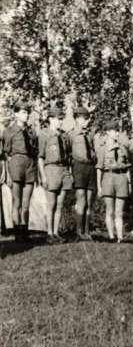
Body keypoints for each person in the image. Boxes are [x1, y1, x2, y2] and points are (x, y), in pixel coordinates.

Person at [38, 104, 72, 243]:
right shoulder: (44, 134)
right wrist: (43, 176)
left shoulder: (64, 135)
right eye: (58, 119)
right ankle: (49, 233)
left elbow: (68, 156)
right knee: (51, 203)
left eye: (61, 119)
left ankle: (56, 232)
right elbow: (40, 157)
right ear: (51, 119)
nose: (60, 121)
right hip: (50, 169)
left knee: (60, 204)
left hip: (63, 170)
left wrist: (69, 172)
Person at [3, 104, 37, 239]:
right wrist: (8, 174)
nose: (26, 115)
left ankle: (25, 230)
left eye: (27, 112)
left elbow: (35, 150)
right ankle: (17, 232)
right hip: (16, 164)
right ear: (16, 114)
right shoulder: (9, 131)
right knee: (16, 201)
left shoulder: (31, 132)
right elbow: (7, 154)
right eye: (23, 112)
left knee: (26, 203)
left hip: (30, 165)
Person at [95, 119, 131, 243]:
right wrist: (99, 186)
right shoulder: (102, 149)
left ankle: (120, 237)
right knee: (109, 210)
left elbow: (127, 167)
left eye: (118, 131)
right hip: (108, 177)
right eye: (115, 131)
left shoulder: (123, 148)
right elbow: (99, 168)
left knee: (119, 211)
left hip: (121, 178)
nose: (117, 133)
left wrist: (129, 183)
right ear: (108, 132)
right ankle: (111, 236)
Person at [69, 105, 96, 241]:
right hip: (78, 167)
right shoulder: (71, 134)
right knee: (81, 199)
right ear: (76, 119)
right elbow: (68, 154)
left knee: (89, 200)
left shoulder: (90, 134)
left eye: (87, 118)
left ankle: (87, 231)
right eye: (84, 119)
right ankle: (79, 231)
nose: (86, 121)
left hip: (90, 167)